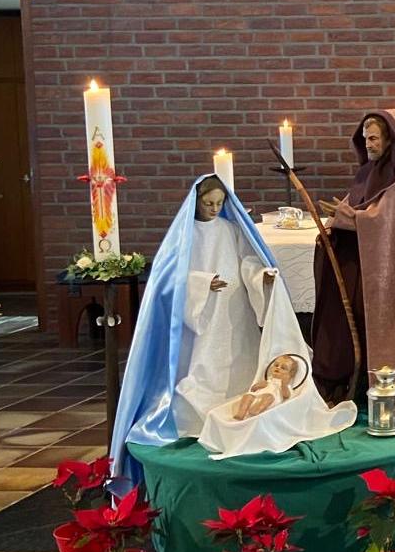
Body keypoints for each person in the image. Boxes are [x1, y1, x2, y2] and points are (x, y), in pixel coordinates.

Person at [110, 176, 342, 478]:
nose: (214, 209)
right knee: (202, 366)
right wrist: (203, 283)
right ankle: (197, 419)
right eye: (208, 203)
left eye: (219, 204)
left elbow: (247, 264)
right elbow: (170, 281)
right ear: (196, 202)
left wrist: (262, 278)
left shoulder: (232, 230)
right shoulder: (185, 235)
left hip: (234, 310)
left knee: (238, 361)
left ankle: (236, 415)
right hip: (203, 316)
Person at [312, 110, 395, 403]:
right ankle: (350, 385)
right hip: (359, 259)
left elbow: (380, 221)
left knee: (381, 328)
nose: (369, 144)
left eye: (374, 138)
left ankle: (388, 388)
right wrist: (333, 226)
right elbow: (354, 206)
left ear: (390, 138)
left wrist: (343, 215)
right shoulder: (365, 172)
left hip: (383, 265)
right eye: (365, 139)